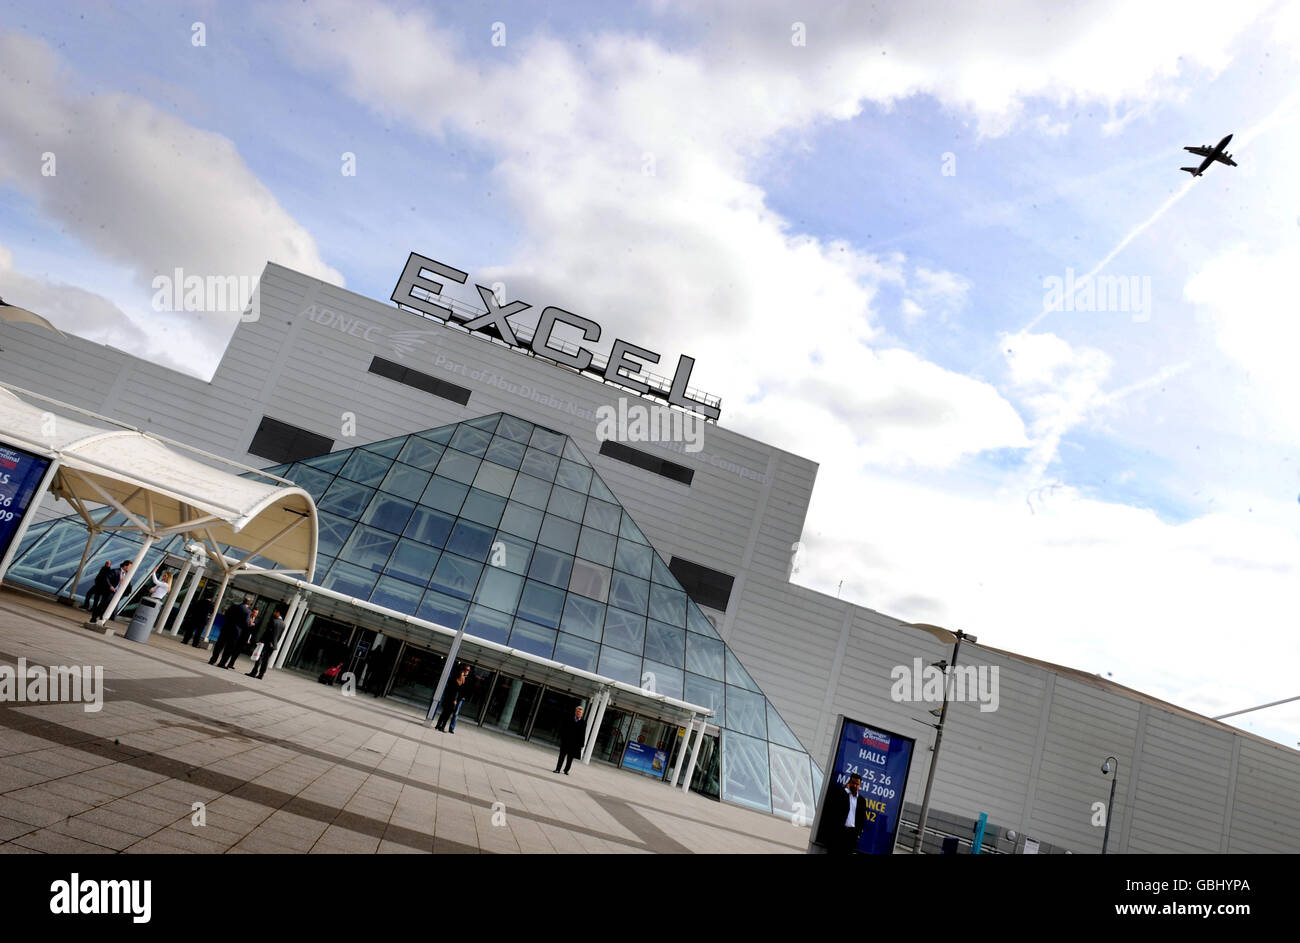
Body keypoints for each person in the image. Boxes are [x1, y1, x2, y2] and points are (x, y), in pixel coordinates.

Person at [821, 772, 868, 854]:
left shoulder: (862, 801)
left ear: (860, 786)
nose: (855, 786)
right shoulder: (842, 794)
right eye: (853, 783)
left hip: (851, 836)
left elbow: (862, 819)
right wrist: (845, 790)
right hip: (838, 833)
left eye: (857, 784)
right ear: (849, 782)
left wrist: (858, 834)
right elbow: (832, 807)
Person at [210, 596, 253, 668]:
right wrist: (250, 624)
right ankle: (222, 663)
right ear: (249, 604)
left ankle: (213, 660)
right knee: (229, 648)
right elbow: (246, 624)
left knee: (219, 645)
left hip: (226, 628)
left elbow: (226, 615)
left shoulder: (233, 606)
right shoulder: (247, 611)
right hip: (235, 632)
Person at [247, 607, 285, 679]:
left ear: (278, 613)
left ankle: (254, 672)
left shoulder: (273, 621)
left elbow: (267, 632)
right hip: (273, 644)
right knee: (266, 660)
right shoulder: (283, 624)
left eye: (275, 612)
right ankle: (261, 675)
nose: (274, 613)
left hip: (266, 642)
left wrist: (261, 640)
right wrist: (274, 643)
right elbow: (279, 636)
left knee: (259, 657)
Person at [434, 664, 473, 732]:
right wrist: (454, 699)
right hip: (451, 698)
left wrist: (463, 697)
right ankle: (439, 725)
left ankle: (444, 727)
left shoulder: (465, 680)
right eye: (464, 671)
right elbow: (452, 690)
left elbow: (466, 689)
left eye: (468, 670)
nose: (466, 672)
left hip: (457, 699)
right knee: (445, 713)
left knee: (450, 713)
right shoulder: (455, 680)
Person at [554, 704, 586, 775]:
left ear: (582, 714)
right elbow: (563, 729)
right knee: (561, 756)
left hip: (574, 744)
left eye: (580, 712)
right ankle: (557, 769)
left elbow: (583, 734)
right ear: (575, 712)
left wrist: (582, 744)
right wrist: (562, 738)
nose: (578, 713)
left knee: (570, 758)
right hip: (566, 742)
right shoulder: (569, 719)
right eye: (577, 712)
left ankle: (566, 770)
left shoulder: (583, 722)